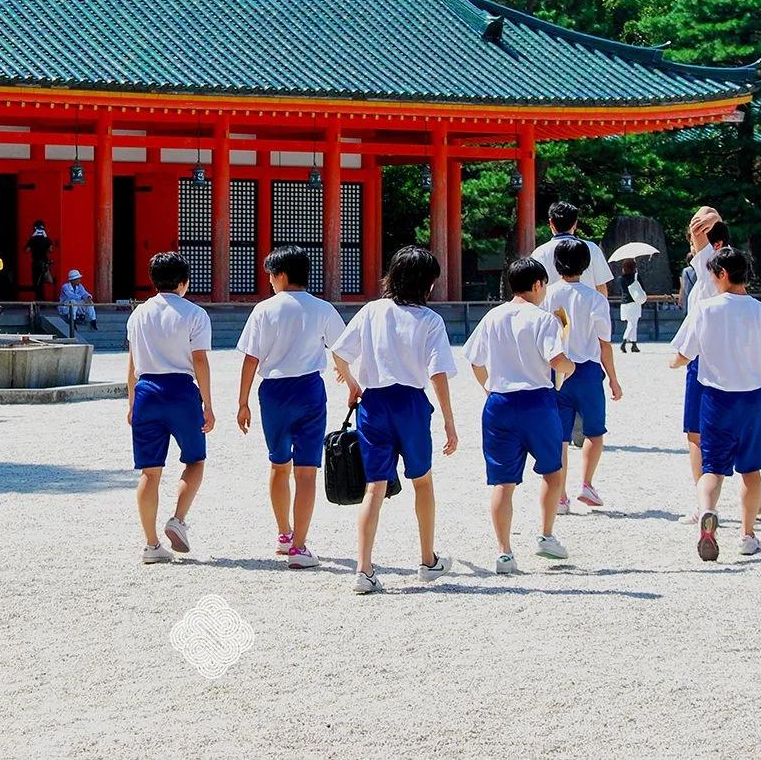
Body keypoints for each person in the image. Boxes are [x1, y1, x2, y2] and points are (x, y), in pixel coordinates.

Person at [669, 245, 761, 559]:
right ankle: (747, 536)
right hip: (752, 400)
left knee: (712, 469)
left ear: (722, 274)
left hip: (715, 399)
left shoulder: (705, 309)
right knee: (751, 471)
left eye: (713, 274)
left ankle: (707, 511)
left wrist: (674, 362)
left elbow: (683, 355)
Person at [329, 247, 460, 594]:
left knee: (374, 486)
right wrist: (449, 421)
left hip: (374, 404)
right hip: (411, 404)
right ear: (426, 284)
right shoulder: (430, 320)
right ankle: (428, 560)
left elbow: (339, 353)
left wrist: (353, 386)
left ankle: (364, 569)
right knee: (422, 481)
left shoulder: (372, 311)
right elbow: (438, 373)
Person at [234, 246, 347, 569]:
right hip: (309, 390)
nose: (269, 281)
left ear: (282, 275)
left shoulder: (264, 310)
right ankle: (299, 547)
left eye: (271, 275)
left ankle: (284, 533)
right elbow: (342, 348)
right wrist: (350, 380)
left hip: (273, 392)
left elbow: (251, 359)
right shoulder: (322, 308)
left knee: (278, 463)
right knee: (307, 471)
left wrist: (242, 402)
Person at [463, 256, 575, 574]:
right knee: (552, 471)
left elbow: (475, 360)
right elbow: (557, 360)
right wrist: (571, 366)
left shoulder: (493, 316)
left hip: (499, 403)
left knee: (502, 482)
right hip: (537, 402)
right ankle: (546, 535)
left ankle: (504, 553)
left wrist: (488, 388)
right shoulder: (544, 319)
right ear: (537, 284)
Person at [680, 209, 761, 518]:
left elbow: (700, 225)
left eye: (695, 243)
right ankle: (759, 493)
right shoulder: (724, 272)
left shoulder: (712, 266)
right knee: (742, 436)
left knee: (696, 435)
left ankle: (704, 505)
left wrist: (711, 218)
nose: (693, 248)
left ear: (716, 245)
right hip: (737, 367)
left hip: (705, 361)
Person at [127, 251, 214, 564]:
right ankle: (178, 519)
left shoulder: (138, 315)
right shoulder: (195, 314)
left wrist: (131, 403)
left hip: (146, 391)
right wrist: (208, 404)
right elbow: (200, 360)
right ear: (184, 282)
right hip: (181, 392)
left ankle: (151, 545)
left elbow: (132, 364)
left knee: (149, 472)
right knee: (195, 460)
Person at [545, 240, 622, 512]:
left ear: (556, 264)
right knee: (595, 431)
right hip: (588, 370)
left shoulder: (547, 295)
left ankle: (561, 496)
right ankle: (586, 483)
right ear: (586, 265)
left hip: (558, 370)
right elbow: (604, 343)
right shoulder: (595, 298)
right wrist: (613, 378)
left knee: (560, 437)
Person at [531, 201, 613, 297]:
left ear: (551, 222)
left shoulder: (539, 253)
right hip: (587, 304)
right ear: (575, 224)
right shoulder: (592, 248)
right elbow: (601, 287)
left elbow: (534, 288)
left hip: (550, 305)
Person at [618, 260, 647, 352]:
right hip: (634, 302)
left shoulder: (621, 278)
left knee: (632, 323)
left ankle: (634, 344)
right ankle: (624, 341)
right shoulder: (636, 276)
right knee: (632, 324)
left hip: (624, 303)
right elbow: (642, 288)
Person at [26, 221, 55, 302]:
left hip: (36, 263)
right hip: (44, 263)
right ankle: (41, 301)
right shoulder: (46, 240)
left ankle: (39, 301)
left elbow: (27, 250)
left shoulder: (33, 239)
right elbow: (51, 250)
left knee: (37, 282)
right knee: (41, 283)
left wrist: (32, 239)